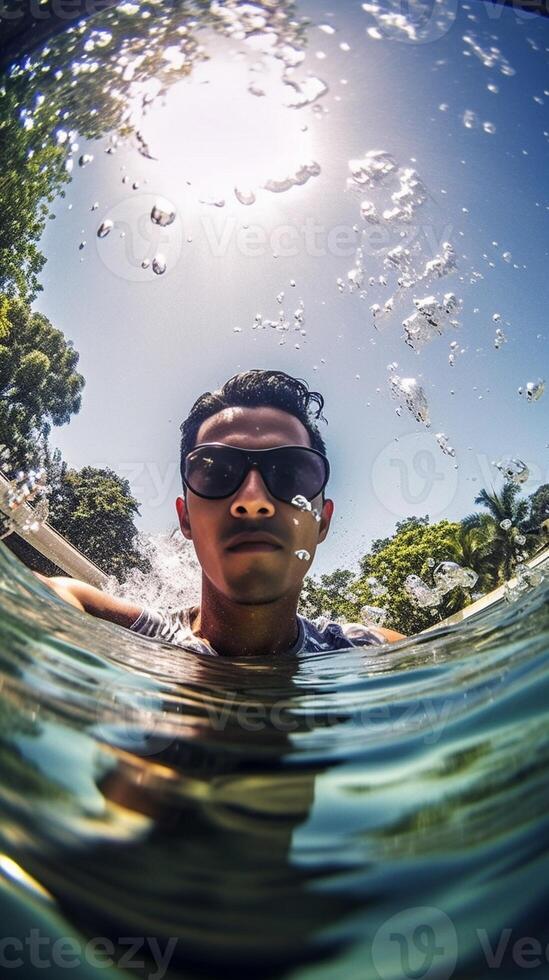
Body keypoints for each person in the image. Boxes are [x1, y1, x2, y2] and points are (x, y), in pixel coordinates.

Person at [37, 370, 405, 655]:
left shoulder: (365, 652)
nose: (252, 498)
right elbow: (50, 597)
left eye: (290, 473)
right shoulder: (140, 637)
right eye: (216, 473)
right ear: (185, 519)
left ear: (322, 519)